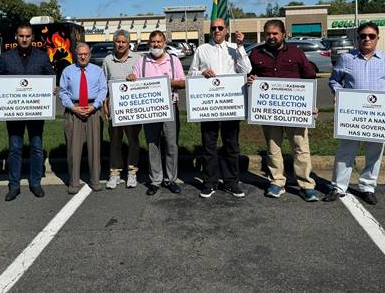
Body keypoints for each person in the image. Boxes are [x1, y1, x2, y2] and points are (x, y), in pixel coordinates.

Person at [323, 22, 385, 205]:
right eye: (363, 36)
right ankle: (338, 187)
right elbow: (334, 81)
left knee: (374, 152)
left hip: (379, 116)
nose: (367, 39)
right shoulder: (346, 59)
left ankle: (367, 187)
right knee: (346, 151)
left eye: (371, 36)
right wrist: (338, 94)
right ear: (357, 38)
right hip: (353, 115)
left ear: (377, 38)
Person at [247, 20, 319, 202]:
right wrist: (250, 79)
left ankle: (305, 184)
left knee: (300, 147)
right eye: (268, 34)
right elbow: (249, 75)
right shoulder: (256, 54)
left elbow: (310, 77)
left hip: (295, 110)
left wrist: (311, 105)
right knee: (273, 148)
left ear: (283, 34)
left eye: (275, 34)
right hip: (269, 110)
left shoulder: (296, 53)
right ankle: (277, 182)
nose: (271, 37)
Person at [189, 18, 251, 198]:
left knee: (231, 144)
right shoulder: (202, 49)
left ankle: (231, 181)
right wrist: (202, 72)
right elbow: (192, 72)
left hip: (230, 105)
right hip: (209, 105)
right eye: (213, 28)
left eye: (220, 28)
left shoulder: (234, 48)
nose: (216, 30)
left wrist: (240, 47)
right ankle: (210, 182)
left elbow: (246, 70)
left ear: (227, 30)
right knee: (209, 144)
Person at [0, 23, 56, 201]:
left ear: (32, 38)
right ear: (16, 37)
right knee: (15, 148)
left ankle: (35, 182)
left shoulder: (42, 57)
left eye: (27, 36)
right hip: (14, 111)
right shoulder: (6, 57)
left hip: (36, 110)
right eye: (21, 36)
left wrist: (52, 88)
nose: (24, 39)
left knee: (37, 147)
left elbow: (51, 77)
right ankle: (14, 185)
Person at [127, 30, 185, 196]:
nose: (156, 45)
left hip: (170, 107)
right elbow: (135, 79)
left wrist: (169, 83)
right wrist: (131, 77)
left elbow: (182, 82)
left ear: (165, 43)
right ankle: (156, 180)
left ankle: (171, 179)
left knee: (171, 144)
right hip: (150, 109)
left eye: (159, 42)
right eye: (153, 42)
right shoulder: (142, 61)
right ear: (149, 43)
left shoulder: (173, 60)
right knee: (153, 145)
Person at [59, 42, 107, 194]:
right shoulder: (68, 71)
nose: (83, 56)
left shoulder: (97, 71)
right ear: (75, 55)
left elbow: (103, 89)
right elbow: (63, 92)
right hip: (74, 109)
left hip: (93, 110)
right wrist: (73, 108)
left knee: (95, 148)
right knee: (73, 149)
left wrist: (95, 106)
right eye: (80, 54)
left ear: (90, 55)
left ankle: (95, 180)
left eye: (85, 54)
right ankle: (73, 182)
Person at [102, 29, 142, 189]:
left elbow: (144, 83)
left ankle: (132, 172)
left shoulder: (138, 59)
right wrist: (105, 104)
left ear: (128, 43)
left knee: (133, 140)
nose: (120, 44)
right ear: (114, 43)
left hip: (132, 109)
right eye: (117, 41)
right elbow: (103, 84)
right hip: (114, 108)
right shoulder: (107, 60)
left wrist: (136, 78)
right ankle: (115, 172)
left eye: (123, 42)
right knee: (115, 141)